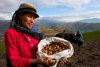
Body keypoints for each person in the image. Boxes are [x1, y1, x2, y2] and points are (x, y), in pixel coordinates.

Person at [4, 3, 66, 67]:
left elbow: (45, 53)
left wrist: (56, 59)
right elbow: (15, 61)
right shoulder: (11, 33)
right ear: (20, 16)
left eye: (33, 18)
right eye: (29, 16)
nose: (32, 21)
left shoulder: (37, 33)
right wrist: (37, 61)